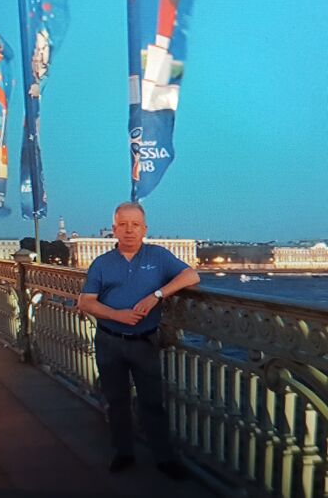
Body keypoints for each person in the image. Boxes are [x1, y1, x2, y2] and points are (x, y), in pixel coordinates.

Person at [78, 202, 200, 479]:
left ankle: (164, 457)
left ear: (145, 229)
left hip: (144, 342)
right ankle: (123, 452)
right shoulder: (102, 263)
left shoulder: (158, 256)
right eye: (123, 225)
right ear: (114, 230)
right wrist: (116, 315)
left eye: (135, 225)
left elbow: (191, 275)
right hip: (109, 340)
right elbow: (85, 302)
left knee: (152, 402)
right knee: (116, 399)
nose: (129, 230)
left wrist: (158, 295)